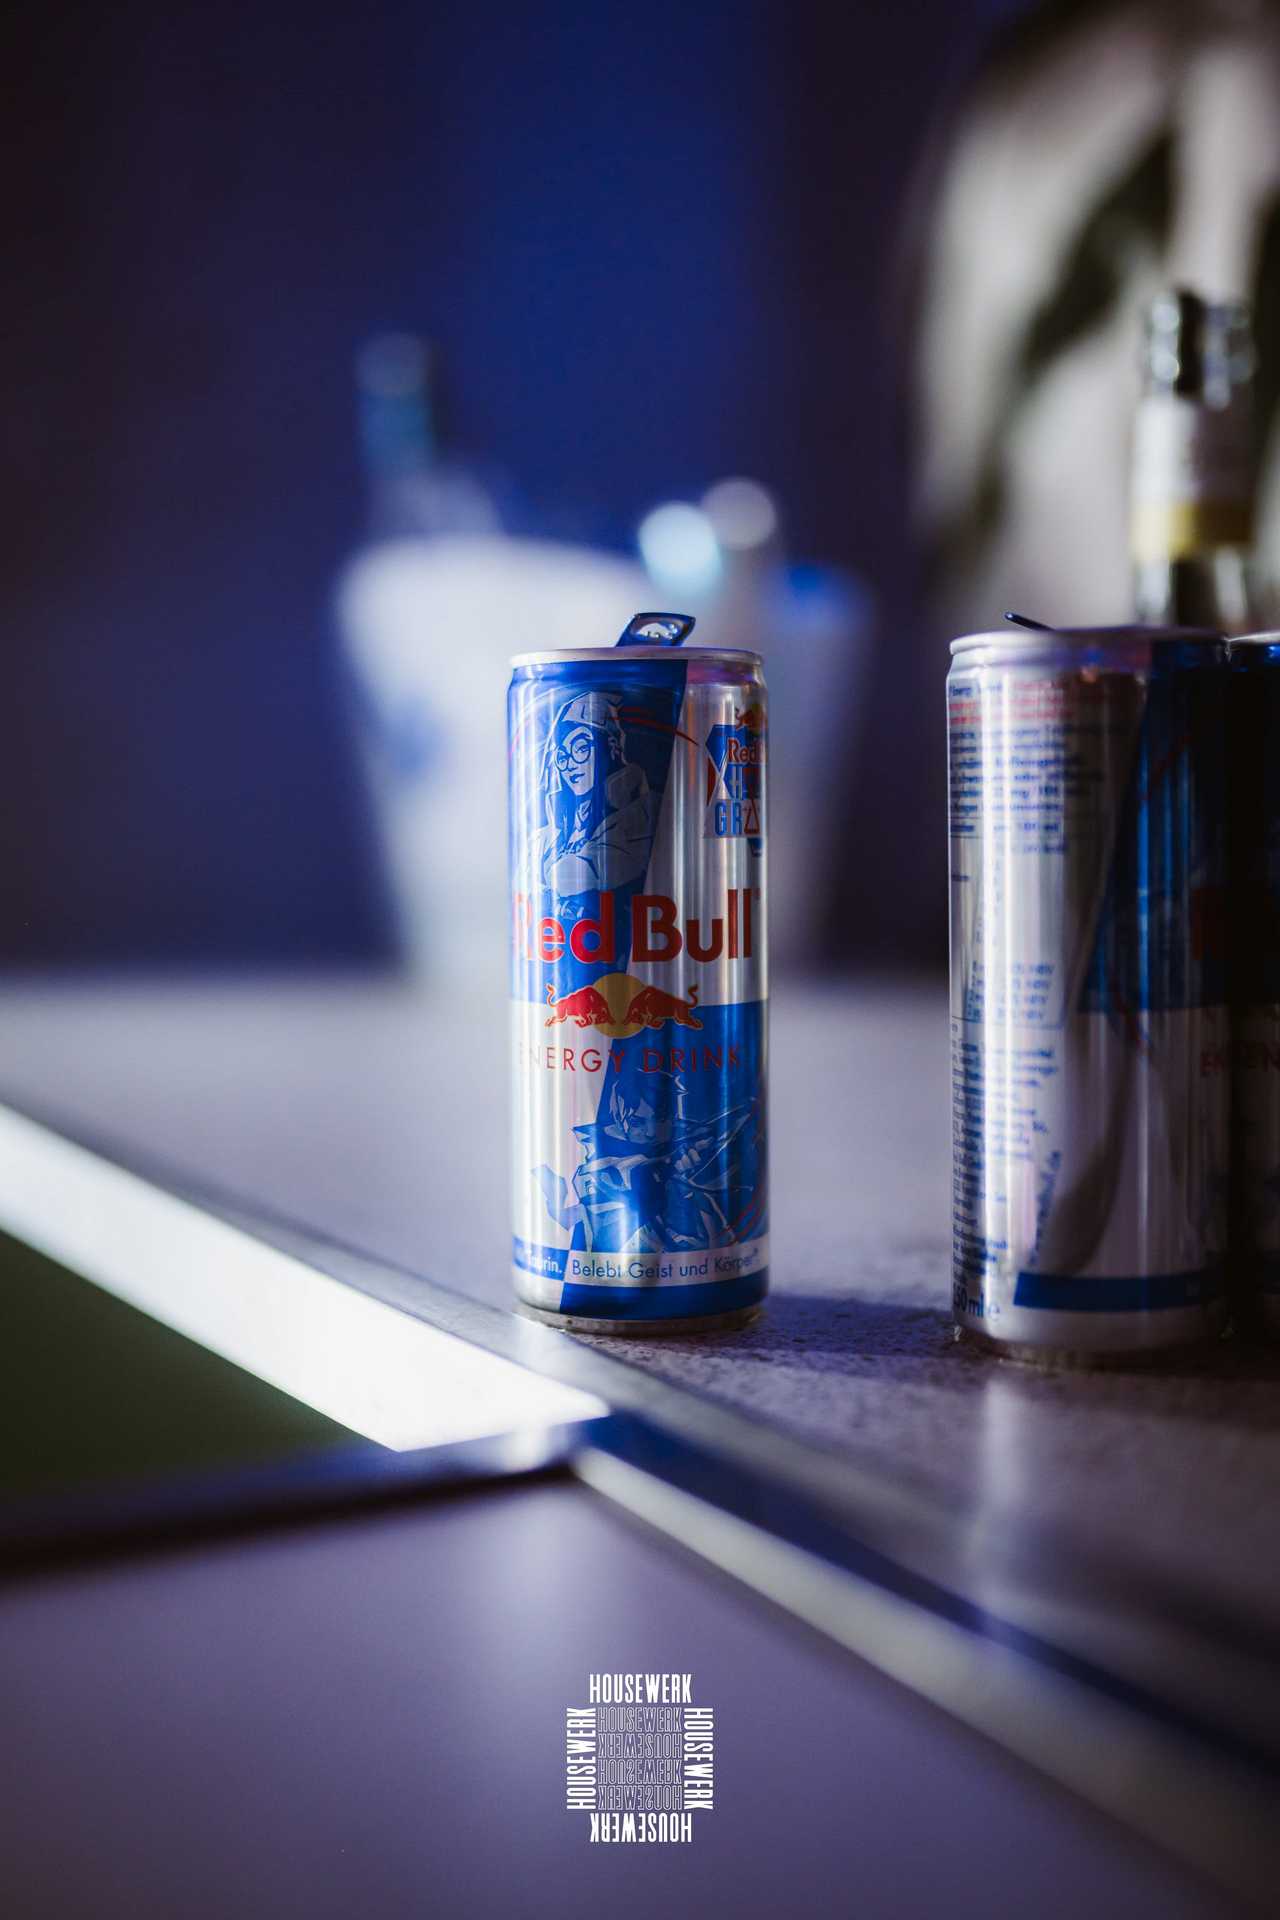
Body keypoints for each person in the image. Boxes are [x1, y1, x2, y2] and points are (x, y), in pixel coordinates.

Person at [532, 691, 654, 913]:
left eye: (581, 748)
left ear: (611, 747)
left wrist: (545, 884)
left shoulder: (642, 812)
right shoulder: (557, 829)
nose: (570, 764)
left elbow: (589, 870)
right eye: (562, 757)